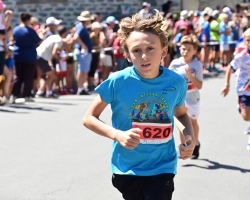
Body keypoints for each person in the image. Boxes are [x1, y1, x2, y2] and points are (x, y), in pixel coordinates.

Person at [82, 10, 195, 200]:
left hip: (163, 166)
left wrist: (189, 137)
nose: (144, 56)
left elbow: (181, 114)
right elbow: (88, 118)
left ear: (164, 51)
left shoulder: (176, 82)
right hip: (127, 169)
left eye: (150, 48)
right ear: (127, 55)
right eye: (136, 50)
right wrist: (117, 135)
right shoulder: (117, 81)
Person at [169, 35, 203, 159]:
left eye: (189, 49)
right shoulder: (175, 63)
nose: (185, 52)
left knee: (193, 123)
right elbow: (169, 80)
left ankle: (195, 144)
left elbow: (200, 85)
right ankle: (183, 145)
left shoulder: (197, 65)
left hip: (193, 98)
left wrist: (190, 74)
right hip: (179, 99)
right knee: (181, 122)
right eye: (183, 49)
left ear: (194, 50)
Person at [12, 12, 41, 102]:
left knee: (18, 75)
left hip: (18, 55)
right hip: (29, 56)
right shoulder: (30, 30)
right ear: (28, 20)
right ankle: (25, 94)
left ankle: (14, 94)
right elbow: (38, 41)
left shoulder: (16, 29)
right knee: (28, 76)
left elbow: (13, 39)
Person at [35, 25, 67, 98]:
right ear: (64, 33)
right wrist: (58, 58)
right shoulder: (59, 40)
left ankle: (41, 91)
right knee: (52, 73)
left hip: (39, 56)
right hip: (41, 57)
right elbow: (54, 52)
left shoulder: (53, 36)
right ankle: (47, 92)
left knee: (49, 74)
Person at [73, 11, 93, 95]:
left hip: (84, 52)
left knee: (84, 70)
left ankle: (81, 87)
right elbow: (76, 37)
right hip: (82, 52)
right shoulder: (81, 27)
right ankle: (80, 88)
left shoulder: (81, 27)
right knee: (82, 71)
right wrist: (84, 45)